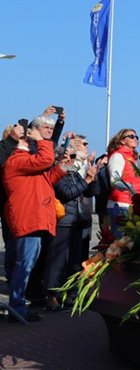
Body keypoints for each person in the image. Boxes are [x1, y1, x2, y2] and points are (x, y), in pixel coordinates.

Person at [2, 120, 68, 322]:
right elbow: (45, 160)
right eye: (29, 140)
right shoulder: (16, 160)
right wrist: (41, 141)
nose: (33, 143)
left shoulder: (25, 163)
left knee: (26, 264)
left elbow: (46, 178)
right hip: (29, 218)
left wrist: (62, 167)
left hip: (34, 218)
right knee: (24, 264)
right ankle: (17, 307)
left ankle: (18, 305)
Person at [44, 135, 98, 311]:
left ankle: (71, 295)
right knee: (58, 261)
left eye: (74, 157)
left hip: (77, 221)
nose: (72, 161)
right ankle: (52, 295)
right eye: (70, 157)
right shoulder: (58, 172)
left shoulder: (74, 174)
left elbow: (89, 193)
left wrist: (91, 179)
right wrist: (86, 181)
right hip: (63, 221)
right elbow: (66, 193)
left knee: (75, 261)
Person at [105, 128, 140, 236]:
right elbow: (115, 180)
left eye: (136, 137)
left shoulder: (133, 158)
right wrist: (130, 188)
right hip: (121, 205)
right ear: (122, 140)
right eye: (131, 136)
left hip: (131, 203)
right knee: (121, 243)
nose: (135, 139)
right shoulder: (118, 156)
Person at [1, 122, 25, 285]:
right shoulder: (8, 158)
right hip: (7, 203)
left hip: (18, 203)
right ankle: (11, 276)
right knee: (11, 242)